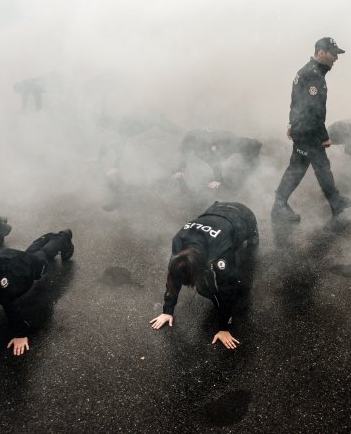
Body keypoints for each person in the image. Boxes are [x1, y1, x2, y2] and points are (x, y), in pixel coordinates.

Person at [150, 202, 258, 349]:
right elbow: (173, 277)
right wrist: (167, 311)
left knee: (245, 263)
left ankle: (252, 239)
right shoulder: (178, 242)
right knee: (207, 287)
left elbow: (226, 289)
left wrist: (224, 327)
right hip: (215, 210)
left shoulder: (220, 252)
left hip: (243, 216)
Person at [271, 36, 351, 222]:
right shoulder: (313, 75)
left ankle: (335, 201)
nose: (336, 58)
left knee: (322, 167)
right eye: (333, 53)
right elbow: (313, 110)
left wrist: (291, 124)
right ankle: (279, 205)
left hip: (304, 128)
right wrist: (323, 136)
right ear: (321, 53)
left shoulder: (310, 71)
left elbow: (296, 102)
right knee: (298, 168)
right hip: (307, 132)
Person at [97, 111, 181, 211]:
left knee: (177, 134)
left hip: (154, 124)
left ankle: (168, 186)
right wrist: (100, 157)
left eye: (101, 128)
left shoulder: (120, 126)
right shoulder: (116, 125)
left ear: (106, 125)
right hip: (150, 124)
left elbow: (120, 146)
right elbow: (108, 141)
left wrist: (115, 165)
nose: (100, 131)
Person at [171, 129, 262, 189]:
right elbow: (184, 154)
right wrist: (180, 170)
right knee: (237, 145)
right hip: (220, 140)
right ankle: (254, 145)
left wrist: (218, 180)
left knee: (241, 146)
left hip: (226, 140)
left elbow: (214, 162)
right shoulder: (188, 139)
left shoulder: (201, 147)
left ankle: (256, 145)